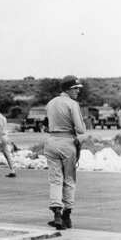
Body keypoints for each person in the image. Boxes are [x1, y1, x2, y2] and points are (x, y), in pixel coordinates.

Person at [44, 75, 86, 230]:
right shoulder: (72, 104)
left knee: (55, 179)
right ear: (68, 89)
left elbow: (48, 123)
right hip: (67, 142)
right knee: (69, 179)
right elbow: (80, 129)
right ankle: (66, 215)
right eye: (75, 89)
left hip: (51, 141)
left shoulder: (50, 103)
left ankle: (56, 213)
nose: (78, 91)